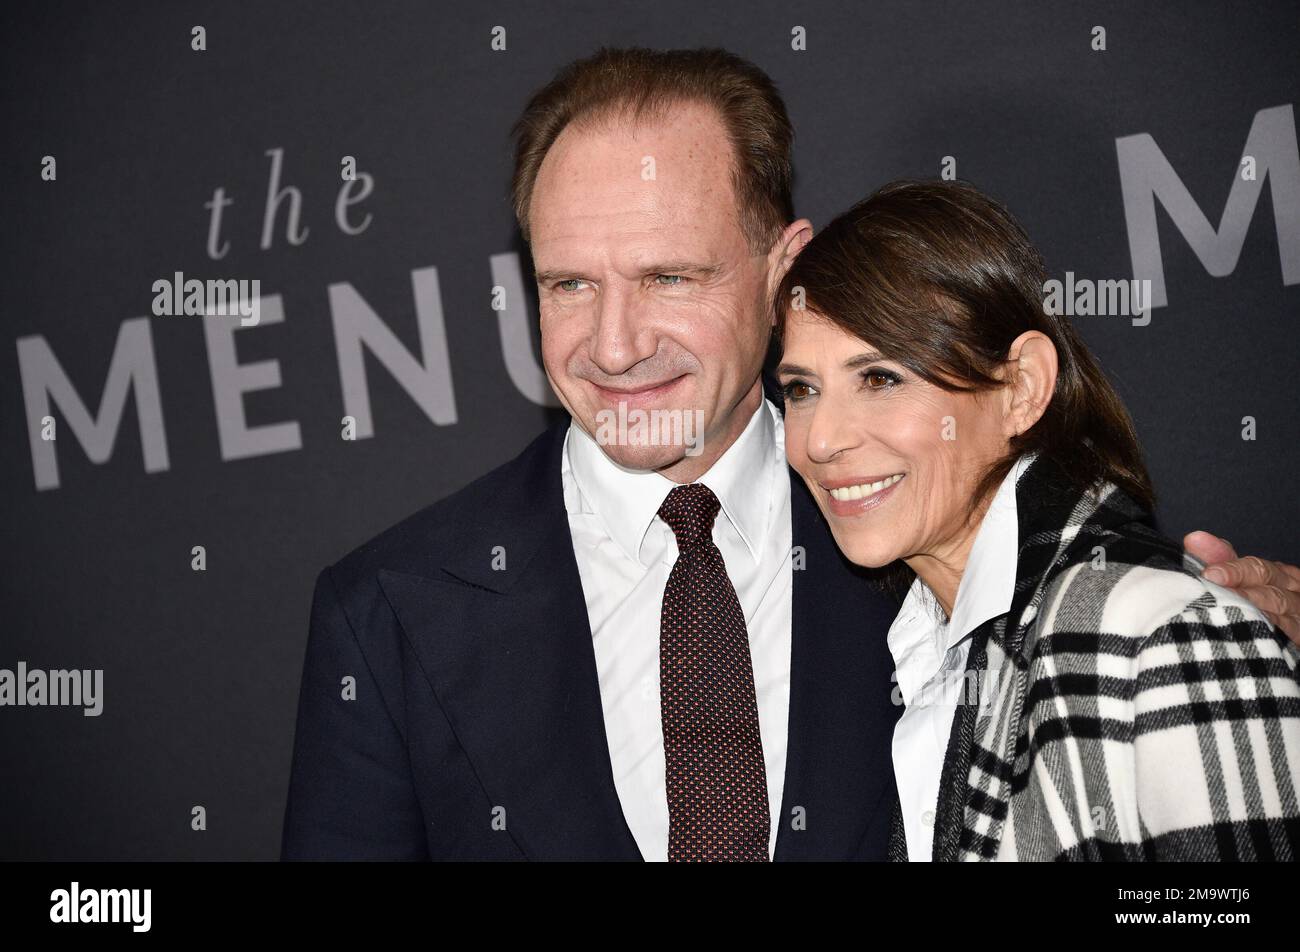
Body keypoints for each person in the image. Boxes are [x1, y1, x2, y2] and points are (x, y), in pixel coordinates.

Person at [282, 48, 1300, 861]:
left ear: (784, 270)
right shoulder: (391, 608)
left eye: (669, 275)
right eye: (568, 285)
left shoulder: (925, 529)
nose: (615, 343)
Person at [775, 179, 1300, 860]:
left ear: (1021, 387)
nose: (820, 439)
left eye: (880, 379)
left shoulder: (1153, 633)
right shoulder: (932, 643)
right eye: (801, 389)